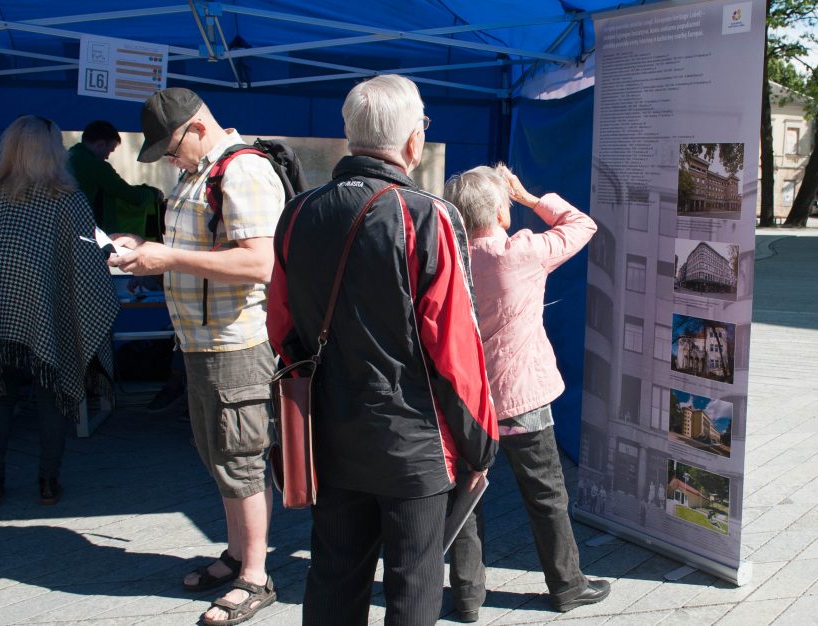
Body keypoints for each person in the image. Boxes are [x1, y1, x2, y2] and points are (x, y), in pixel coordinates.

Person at [267, 74, 499, 626]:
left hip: (330, 430)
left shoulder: (298, 212)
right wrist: (481, 443)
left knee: (332, 576)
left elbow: (280, 327)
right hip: (413, 443)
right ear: (413, 142)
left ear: (350, 134)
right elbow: (456, 348)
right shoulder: (427, 214)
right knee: (413, 584)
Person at [108, 88, 284, 626]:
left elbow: (261, 262)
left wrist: (169, 257)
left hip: (237, 343)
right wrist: (141, 249)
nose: (166, 158)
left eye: (169, 147)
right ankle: (237, 553)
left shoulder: (244, 171)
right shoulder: (197, 174)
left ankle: (255, 575)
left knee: (241, 457)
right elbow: (202, 250)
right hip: (202, 343)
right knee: (218, 455)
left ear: (198, 128)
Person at [444, 164, 609, 619]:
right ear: (501, 211)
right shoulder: (522, 252)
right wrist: (529, 197)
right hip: (522, 398)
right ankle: (567, 586)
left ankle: (467, 596)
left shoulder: (443, 260)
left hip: (463, 403)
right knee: (546, 495)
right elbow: (582, 224)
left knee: (465, 497)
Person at [0, 115, 119, 506]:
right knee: (53, 395)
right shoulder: (68, 199)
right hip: (49, 318)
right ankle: (48, 481)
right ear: (54, 150)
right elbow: (87, 266)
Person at [67, 119, 161, 232]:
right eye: (110, 151)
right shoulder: (97, 166)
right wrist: (154, 194)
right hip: (89, 231)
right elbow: (133, 196)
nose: (107, 157)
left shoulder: (64, 158)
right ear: (100, 144)